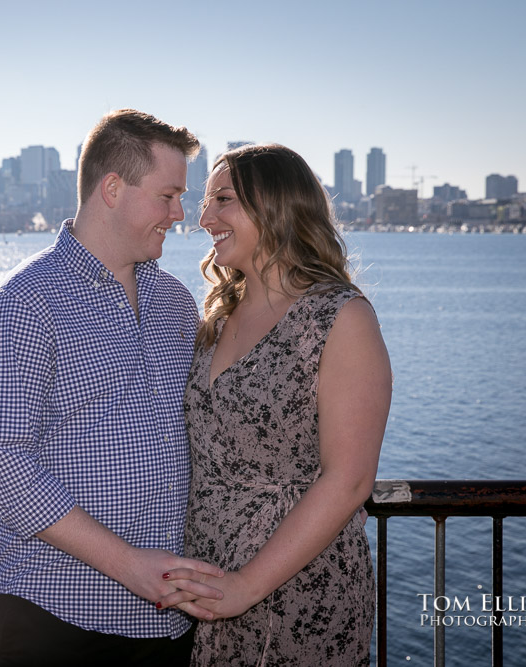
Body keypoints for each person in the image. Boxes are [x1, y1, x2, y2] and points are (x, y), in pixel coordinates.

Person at [0, 109, 224, 667]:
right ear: (113, 188)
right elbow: (0, 462)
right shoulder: (25, 304)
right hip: (55, 619)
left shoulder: (176, 304)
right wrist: (130, 565)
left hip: (166, 622)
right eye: (168, 195)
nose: (181, 214)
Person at [158, 144, 391, 665]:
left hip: (297, 588)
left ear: (276, 204)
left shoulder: (339, 317)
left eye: (222, 198)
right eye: (204, 200)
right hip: (205, 588)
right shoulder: (219, 317)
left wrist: (246, 586)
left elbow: (350, 479)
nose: (203, 216)